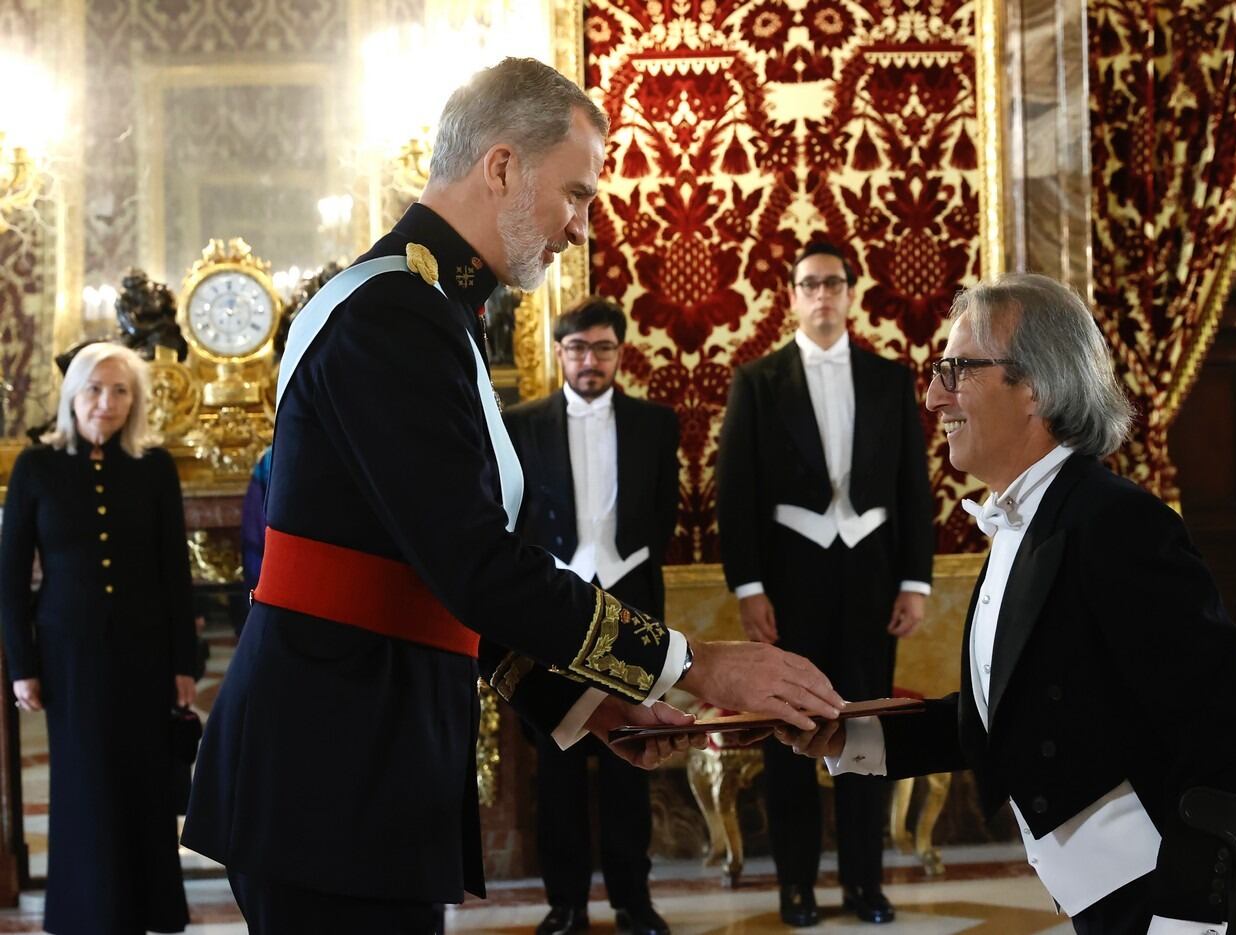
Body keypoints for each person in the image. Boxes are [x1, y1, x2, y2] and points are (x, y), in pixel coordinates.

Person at [181, 57, 843, 934]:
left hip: (357, 763)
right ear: (501, 166)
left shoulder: (427, 309)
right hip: (329, 770)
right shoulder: (393, 315)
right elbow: (474, 566)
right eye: (575, 194)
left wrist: (585, 700)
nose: (579, 227)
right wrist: (695, 663)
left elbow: (433, 574)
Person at [778, 273, 1236, 934]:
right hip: (1119, 902)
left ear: (1035, 386)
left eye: (958, 369)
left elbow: (1220, 727)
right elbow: (1010, 715)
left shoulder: (1118, 523)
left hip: (1198, 904)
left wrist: (1188, 920)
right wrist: (847, 732)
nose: (935, 394)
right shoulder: (1027, 521)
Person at [715, 243, 934, 927]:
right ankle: (796, 886)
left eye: (833, 283)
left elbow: (912, 485)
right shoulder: (758, 380)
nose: (822, 295)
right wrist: (749, 587)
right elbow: (736, 492)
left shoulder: (890, 379)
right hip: (791, 579)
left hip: (872, 578)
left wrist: (915, 580)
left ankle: (866, 883)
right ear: (791, 296)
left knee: (866, 727)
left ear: (849, 293)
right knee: (791, 729)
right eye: (809, 284)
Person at [0, 342, 198, 935]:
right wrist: (22, 666)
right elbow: (10, 579)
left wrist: (184, 664)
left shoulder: (153, 466)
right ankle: (88, 914)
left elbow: (174, 571)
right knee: (85, 783)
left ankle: (147, 910)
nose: (105, 403)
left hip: (145, 653)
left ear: (134, 401)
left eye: (120, 391)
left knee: (143, 781)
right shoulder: (36, 467)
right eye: (94, 389)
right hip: (69, 656)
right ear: (72, 394)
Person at [504, 296, 679, 935]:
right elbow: (513, 519)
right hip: (553, 609)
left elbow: (663, 514)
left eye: (603, 348)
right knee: (559, 764)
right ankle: (566, 904)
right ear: (560, 352)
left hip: (633, 606)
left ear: (619, 353)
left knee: (631, 755)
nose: (590, 360)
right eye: (578, 348)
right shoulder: (522, 425)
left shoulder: (656, 423)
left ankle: (634, 900)